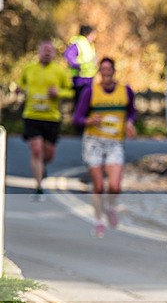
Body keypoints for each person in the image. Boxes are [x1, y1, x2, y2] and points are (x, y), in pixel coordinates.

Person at [73, 57, 137, 238]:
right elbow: (77, 118)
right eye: (103, 69)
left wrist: (130, 123)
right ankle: (99, 221)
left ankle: (110, 206)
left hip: (115, 142)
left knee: (115, 185)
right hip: (93, 141)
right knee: (99, 185)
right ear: (99, 72)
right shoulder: (90, 92)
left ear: (114, 71)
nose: (106, 72)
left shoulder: (126, 91)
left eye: (109, 69)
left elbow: (132, 112)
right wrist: (89, 120)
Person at [19, 40, 74, 201]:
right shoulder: (29, 69)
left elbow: (70, 92)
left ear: (54, 54)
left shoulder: (60, 71)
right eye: (44, 49)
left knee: (48, 155)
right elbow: (22, 85)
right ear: (39, 52)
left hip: (51, 117)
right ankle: (39, 187)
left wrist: (59, 93)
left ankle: (42, 167)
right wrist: (22, 90)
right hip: (31, 115)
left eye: (50, 50)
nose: (47, 52)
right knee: (36, 150)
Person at [64, 25, 98, 108]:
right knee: (80, 105)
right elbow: (69, 56)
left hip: (88, 79)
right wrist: (79, 66)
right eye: (93, 34)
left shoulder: (88, 44)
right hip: (80, 80)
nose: (95, 37)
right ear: (87, 34)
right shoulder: (79, 43)